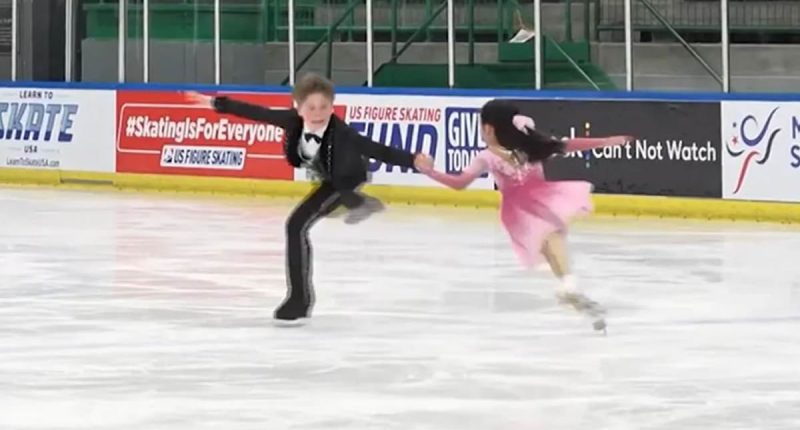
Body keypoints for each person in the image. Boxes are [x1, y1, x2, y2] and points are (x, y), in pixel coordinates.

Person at [185, 73, 433, 324]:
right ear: (298, 108)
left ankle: (300, 299)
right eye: (311, 107)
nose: (318, 113)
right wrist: (214, 103)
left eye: (324, 107)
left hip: (346, 176)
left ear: (332, 106)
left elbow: (377, 149)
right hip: (327, 178)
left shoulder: (342, 134)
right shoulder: (292, 122)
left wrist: (413, 160)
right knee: (301, 222)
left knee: (296, 225)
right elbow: (256, 112)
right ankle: (357, 204)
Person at [418, 99, 632, 331]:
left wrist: (430, 172)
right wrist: (606, 141)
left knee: (553, 249)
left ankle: (574, 295)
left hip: (517, 212)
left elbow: (459, 183)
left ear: (488, 128)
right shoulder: (525, 146)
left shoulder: (491, 155)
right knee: (554, 238)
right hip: (538, 202)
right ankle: (569, 286)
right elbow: (566, 145)